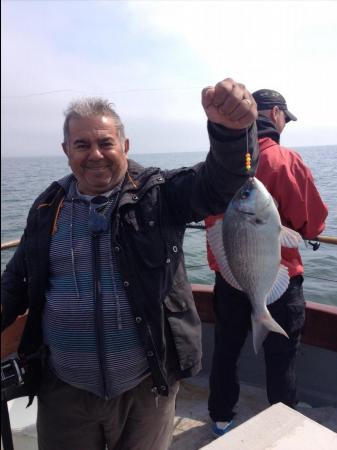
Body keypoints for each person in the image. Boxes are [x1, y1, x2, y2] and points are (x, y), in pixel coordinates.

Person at [1, 78, 258, 450]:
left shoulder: (159, 194)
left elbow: (219, 185)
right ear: (65, 150)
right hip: (64, 391)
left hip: (145, 387)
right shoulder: (46, 208)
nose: (96, 154)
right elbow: (18, 279)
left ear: (125, 145)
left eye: (106, 143)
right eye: (82, 144)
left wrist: (232, 135)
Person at [205, 88, 328, 437]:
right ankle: (282, 424)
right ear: (274, 114)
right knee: (282, 354)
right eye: (285, 119)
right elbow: (313, 224)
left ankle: (220, 416)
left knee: (226, 348)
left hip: (229, 276)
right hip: (278, 277)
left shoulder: (217, 161)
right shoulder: (285, 160)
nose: (285, 125)